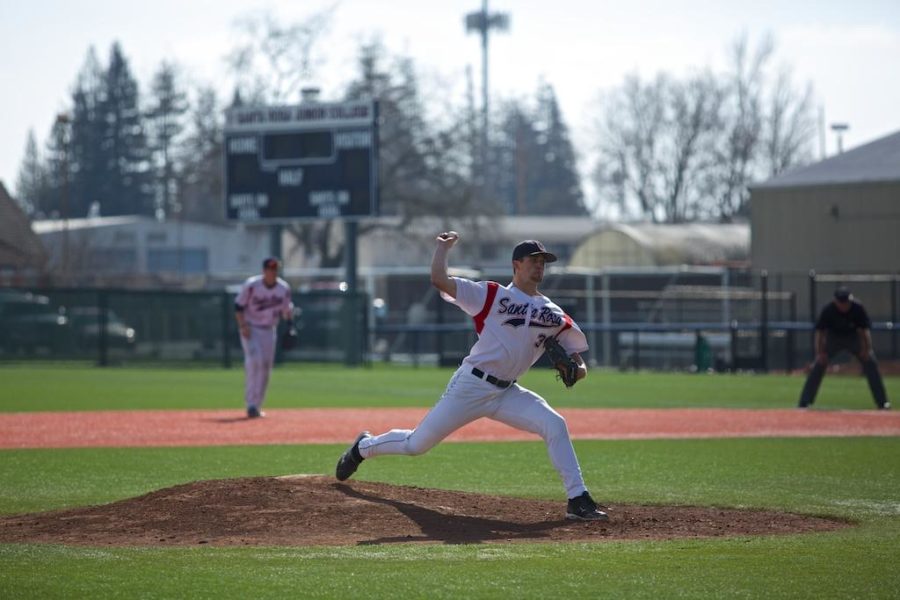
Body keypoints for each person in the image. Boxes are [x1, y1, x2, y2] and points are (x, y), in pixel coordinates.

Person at [335, 232, 608, 521]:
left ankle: (578, 499)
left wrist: (577, 372)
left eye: (544, 261)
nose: (540, 265)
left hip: (507, 393)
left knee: (554, 423)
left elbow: (577, 358)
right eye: (534, 260)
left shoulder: (552, 313)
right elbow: (440, 280)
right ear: (516, 264)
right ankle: (363, 448)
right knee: (416, 445)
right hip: (471, 385)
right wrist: (442, 249)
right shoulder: (492, 295)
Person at [798, 286, 890, 410]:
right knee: (818, 365)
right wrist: (820, 353)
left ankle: (882, 402)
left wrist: (866, 349)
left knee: (871, 362)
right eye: (841, 302)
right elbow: (820, 333)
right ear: (836, 302)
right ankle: (804, 401)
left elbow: (864, 331)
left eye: (846, 302)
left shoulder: (857, 308)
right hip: (833, 338)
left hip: (853, 338)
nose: (844, 305)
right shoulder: (829, 310)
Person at [234, 257, 294, 418]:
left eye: (275, 269)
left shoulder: (283, 288)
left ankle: (257, 405)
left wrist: (290, 327)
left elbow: (286, 310)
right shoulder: (252, 285)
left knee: (266, 368)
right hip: (250, 328)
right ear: (264, 270)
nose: (273, 272)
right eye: (270, 269)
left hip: (269, 330)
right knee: (255, 362)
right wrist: (243, 326)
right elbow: (238, 306)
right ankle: (251, 403)